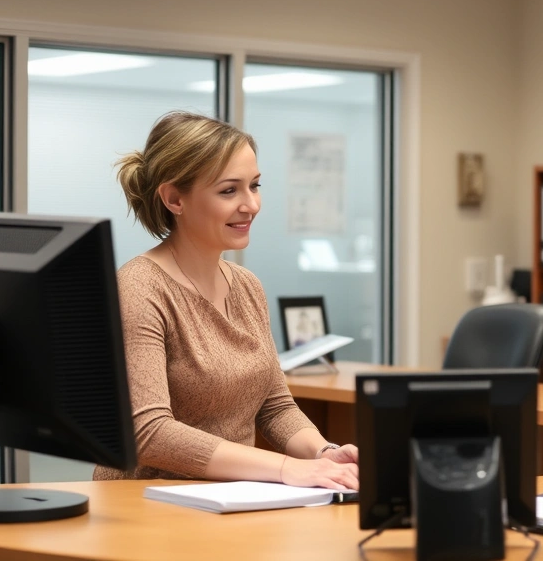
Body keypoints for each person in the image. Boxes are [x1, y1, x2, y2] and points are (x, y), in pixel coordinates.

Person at [93, 111, 358, 491]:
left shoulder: (247, 286)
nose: (251, 204)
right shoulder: (139, 288)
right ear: (174, 199)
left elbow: (275, 406)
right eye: (229, 190)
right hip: (143, 504)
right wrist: (286, 468)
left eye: (255, 185)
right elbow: (148, 432)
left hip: (226, 499)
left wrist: (323, 453)